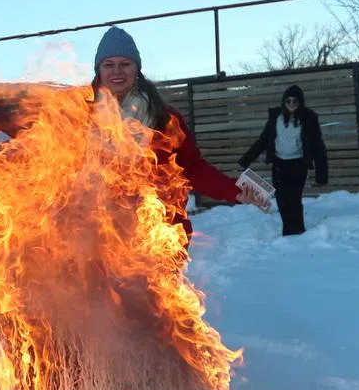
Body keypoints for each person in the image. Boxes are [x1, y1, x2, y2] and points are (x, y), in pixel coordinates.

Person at [90, 26, 262, 246]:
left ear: (137, 69)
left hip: (158, 236)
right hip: (98, 240)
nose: (117, 71)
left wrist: (234, 191)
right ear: (99, 70)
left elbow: (192, 167)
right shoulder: (73, 116)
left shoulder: (164, 118)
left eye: (125, 64)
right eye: (109, 64)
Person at [238, 84, 329, 236]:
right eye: (288, 101)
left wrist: (322, 175)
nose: (292, 104)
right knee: (281, 199)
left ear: (300, 103)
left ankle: (298, 229)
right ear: (284, 102)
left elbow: (318, 147)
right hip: (279, 163)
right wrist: (245, 160)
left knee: (294, 197)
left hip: (298, 163)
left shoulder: (308, 119)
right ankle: (288, 230)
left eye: (295, 101)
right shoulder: (276, 118)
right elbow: (263, 140)